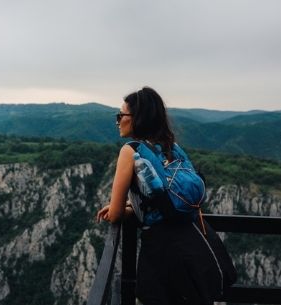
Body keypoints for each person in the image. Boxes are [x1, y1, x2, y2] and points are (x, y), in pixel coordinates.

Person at [96, 87, 227, 305]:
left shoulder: (130, 151)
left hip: (159, 254)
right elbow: (164, 197)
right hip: (190, 246)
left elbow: (116, 214)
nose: (118, 121)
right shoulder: (171, 147)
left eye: (121, 115)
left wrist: (121, 210)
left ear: (137, 118)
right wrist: (133, 207)